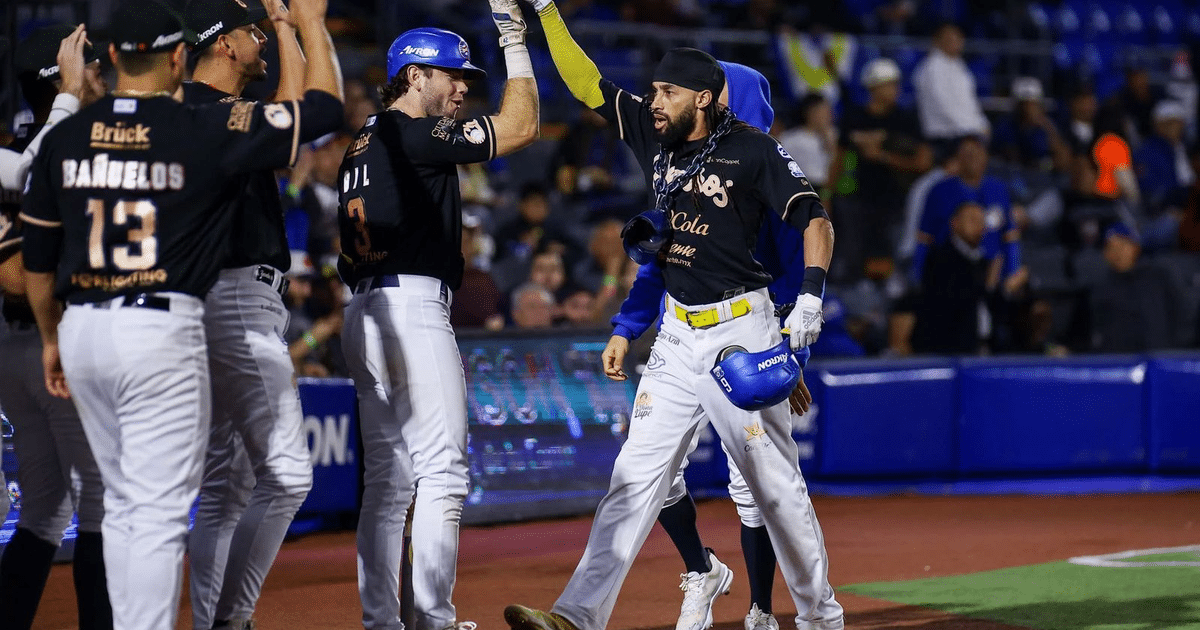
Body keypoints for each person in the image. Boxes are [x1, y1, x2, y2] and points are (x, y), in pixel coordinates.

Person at [504, 4, 842, 630]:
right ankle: (576, 616)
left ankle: (822, 618)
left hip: (742, 331)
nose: (653, 100)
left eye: (668, 91)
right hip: (678, 334)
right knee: (632, 480)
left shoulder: (752, 151)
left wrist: (811, 304)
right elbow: (588, 84)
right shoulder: (653, 136)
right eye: (654, 89)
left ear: (707, 99)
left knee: (774, 492)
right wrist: (547, 11)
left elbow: (814, 219)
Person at [19, 0, 344, 628]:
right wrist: (304, 20)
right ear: (177, 57)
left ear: (111, 59)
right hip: (162, 322)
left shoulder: (66, 134)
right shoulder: (198, 125)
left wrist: (51, 336)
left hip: (84, 323)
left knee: (118, 506)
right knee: (161, 511)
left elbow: (37, 253)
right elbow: (323, 115)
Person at [334, 1, 539, 628]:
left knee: (389, 487)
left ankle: (383, 622)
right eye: (453, 76)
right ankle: (432, 620)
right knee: (443, 471)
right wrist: (514, 40)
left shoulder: (360, 144)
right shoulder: (410, 132)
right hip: (410, 309)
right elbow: (522, 125)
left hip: (365, 308)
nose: (461, 89)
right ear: (415, 75)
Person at [180, 1, 317, 627]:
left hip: (220, 298)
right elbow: (297, 116)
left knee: (225, 490)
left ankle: (216, 620)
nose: (259, 38)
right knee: (287, 479)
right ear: (223, 46)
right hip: (236, 297)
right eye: (251, 32)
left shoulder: (198, 112)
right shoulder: (207, 113)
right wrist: (292, 27)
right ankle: (230, 620)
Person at [0, 24, 112, 630]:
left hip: (16, 351)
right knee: (100, 500)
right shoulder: (55, 146)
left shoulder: (21, 145)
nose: (99, 76)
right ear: (59, 80)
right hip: (53, 343)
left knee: (44, 508)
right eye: (88, 67)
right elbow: (17, 272)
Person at [828, 57, 931, 282]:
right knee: (853, 258)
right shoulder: (855, 118)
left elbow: (922, 163)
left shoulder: (905, 119)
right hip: (857, 199)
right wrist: (827, 195)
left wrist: (883, 156)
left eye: (895, 84)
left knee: (894, 261)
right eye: (889, 84)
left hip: (895, 200)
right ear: (873, 87)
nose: (895, 89)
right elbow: (838, 159)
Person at [912, 22, 988, 143]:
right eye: (949, 38)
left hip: (967, 132)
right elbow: (943, 104)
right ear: (937, 42)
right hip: (945, 136)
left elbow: (970, 101)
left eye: (958, 38)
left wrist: (982, 125)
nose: (955, 42)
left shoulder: (959, 65)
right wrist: (970, 129)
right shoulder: (931, 68)